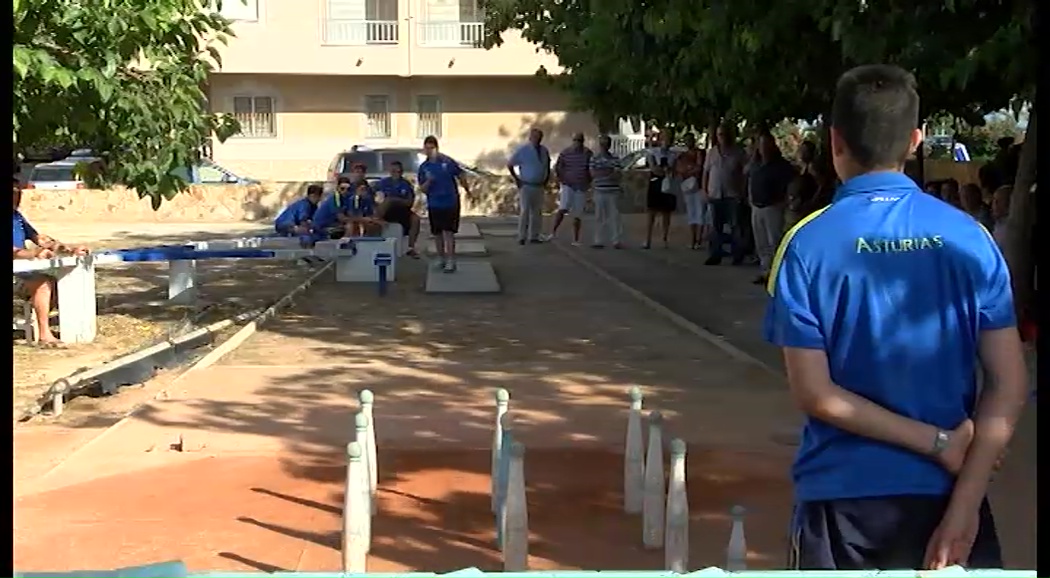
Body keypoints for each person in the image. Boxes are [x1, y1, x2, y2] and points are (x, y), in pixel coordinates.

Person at [765, 64, 1028, 571]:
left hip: (843, 503)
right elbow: (1009, 383)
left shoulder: (805, 244)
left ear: (834, 141)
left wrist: (941, 444)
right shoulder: (971, 237)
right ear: (915, 140)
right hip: (947, 499)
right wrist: (965, 506)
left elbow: (816, 394)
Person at [13, 178, 90, 347]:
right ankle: (44, 335)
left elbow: (41, 239)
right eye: (14, 193)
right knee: (43, 283)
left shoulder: (17, 217)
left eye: (19, 193)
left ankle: (41, 324)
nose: (18, 198)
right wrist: (34, 253)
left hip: (22, 271)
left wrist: (70, 249)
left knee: (56, 283)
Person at [748, 131, 797, 286]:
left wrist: (786, 200)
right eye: (761, 145)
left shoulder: (781, 165)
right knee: (761, 243)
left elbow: (793, 182)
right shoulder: (756, 164)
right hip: (757, 206)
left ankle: (778, 273)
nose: (763, 148)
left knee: (774, 241)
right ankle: (766, 271)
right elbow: (750, 180)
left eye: (766, 145)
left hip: (773, 206)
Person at [419, 135, 471, 273]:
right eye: (427, 148)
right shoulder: (424, 167)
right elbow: (423, 189)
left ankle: (451, 260)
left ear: (437, 148)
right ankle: (441, 258)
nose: (429, 151)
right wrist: (429, 181)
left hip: (450, 201)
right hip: (434, 203)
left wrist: (468, 190)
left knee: (448, 232)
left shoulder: (447, 162)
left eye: (432, 148)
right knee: (437, 233)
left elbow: (461, 175)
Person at [703, 122, 748, 265]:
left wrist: (742, 192)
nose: (722, 137)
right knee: (715, 228)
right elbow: (706, 172)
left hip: (732, 195)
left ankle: (737, 255)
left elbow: (744, 174)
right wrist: (705, 190)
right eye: (719, 135)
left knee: (735, 227)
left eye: (724, 134)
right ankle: (715, 254)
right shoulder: (712, 153)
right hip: (715, 194)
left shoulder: (739, 152)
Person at [544, 132, 592, 245]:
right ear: (573, 141)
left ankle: (576, 239)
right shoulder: (566, 153)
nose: (577, 143)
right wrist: (562, 179)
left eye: (579, 141)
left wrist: (588, 182)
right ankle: (553, 233)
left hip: (581, 186)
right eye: (576, 140)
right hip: (568, 185)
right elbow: (558, 167)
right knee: (563, 208)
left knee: (577, 213)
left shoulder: (588, 153)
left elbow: (591, 168)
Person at [507, 127, 551, 245]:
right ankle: (522, 236)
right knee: (525, 210)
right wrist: (517, 179)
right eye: (535, 137)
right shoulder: (523, 150)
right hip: (526, 184)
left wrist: (546, 179)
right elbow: (510, 164)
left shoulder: (544, 151)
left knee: (537, 212)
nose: (537, 139)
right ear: (530, 138)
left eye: (539, 137)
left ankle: (534, 236)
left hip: (539, 185)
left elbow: (547, 165)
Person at [374, 160, 421, 258]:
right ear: (390, 171)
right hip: (387, 210)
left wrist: (395, 199)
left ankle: (411, 247)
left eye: (398, 171)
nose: (396, 173)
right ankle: (377, 222)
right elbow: (376, 197)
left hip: (402, 210)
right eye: (394, 171)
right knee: (387, 201)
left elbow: (409, 202)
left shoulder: (406, 184)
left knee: (415, 219)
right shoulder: (383, 183)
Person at [643, 132, 678, 249]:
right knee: (651, 212)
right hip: (655, 182)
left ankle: (665, 238)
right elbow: (654, 168)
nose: (667, 142)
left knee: (666, 212)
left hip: (667, 183)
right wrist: (664, 170)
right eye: (665, 139)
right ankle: (647, 239)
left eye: (669, 139)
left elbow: (674, 169)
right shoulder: (653, 152)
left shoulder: (673, 155)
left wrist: (667, 170)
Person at [589, 134, 625, 249]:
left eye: (606, 144)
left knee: (615, 216)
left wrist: (603, 173)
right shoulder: (594, 158)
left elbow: (618, 174)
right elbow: (593, 174)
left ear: (609, 145)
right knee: (599, 216)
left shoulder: (615, 158)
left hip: (613, 190)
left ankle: (616, 240)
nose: (604, 146)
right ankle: (598, 240)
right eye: (602, 144)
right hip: (600, 190)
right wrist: (608, 173)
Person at [677, 133, 707, 250]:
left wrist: (688, 170)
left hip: (698, 186)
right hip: (688, 187)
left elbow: (699, 167)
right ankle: (693, 238)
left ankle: (698, 239)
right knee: (691, 213)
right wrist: (688, 170)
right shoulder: (682, 155)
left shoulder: (699, 153)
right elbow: (679, 168)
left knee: (700, 213)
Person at [990, 185, 1013, 249]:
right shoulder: (998, 223)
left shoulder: (1011, 228)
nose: (994, 205)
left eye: (998, 201)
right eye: (994, 201)